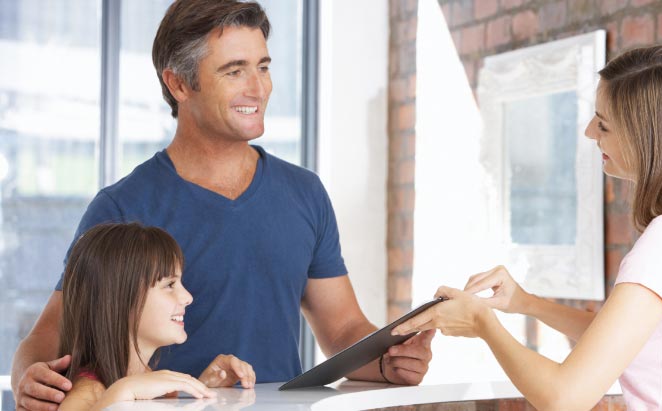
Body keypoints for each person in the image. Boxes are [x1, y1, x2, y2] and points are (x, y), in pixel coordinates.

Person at [12, 1, 433, 410]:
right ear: (178, 84)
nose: (259, 87)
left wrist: (386, 360)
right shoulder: (122, 207)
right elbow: (49, 337)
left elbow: (342, 328)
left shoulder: (305, 192)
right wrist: (29, 377)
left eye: (263, 67)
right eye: (235, 71)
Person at [393, 45, 662, 410]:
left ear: (648, 139)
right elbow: (621, 341)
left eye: (603, 124)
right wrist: (525, 303)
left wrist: (483, 324)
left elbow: (563, 398)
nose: (588, 132)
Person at [57, 223, 255, 411]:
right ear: (120, 299)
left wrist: (202, 390)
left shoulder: (152, 384)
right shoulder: (87, 392)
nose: (187, 297)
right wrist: (124, 391)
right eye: (169, 285)